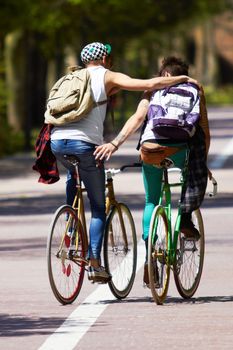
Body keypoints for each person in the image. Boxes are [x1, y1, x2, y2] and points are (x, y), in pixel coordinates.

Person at [50, 44, 198, 283]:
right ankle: (95, 264)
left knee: (73, 175)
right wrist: (184, 78)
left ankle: (70, 223)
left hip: (57, 142)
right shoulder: (107, 74)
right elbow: (149, 84)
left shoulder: (70, 77)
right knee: (98, 208)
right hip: (84, 145)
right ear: (106, 58)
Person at [94, 56, 210, 285]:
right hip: (180, 149)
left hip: (151, 149)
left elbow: (137, 119)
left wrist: (115, 143)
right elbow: (204, 130)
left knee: (151, 200)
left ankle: (149, 255)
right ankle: (185, 218)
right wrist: (202, 162)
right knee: (190, 178)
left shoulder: (153, 91)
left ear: (164, 74)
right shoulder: (194, 89)